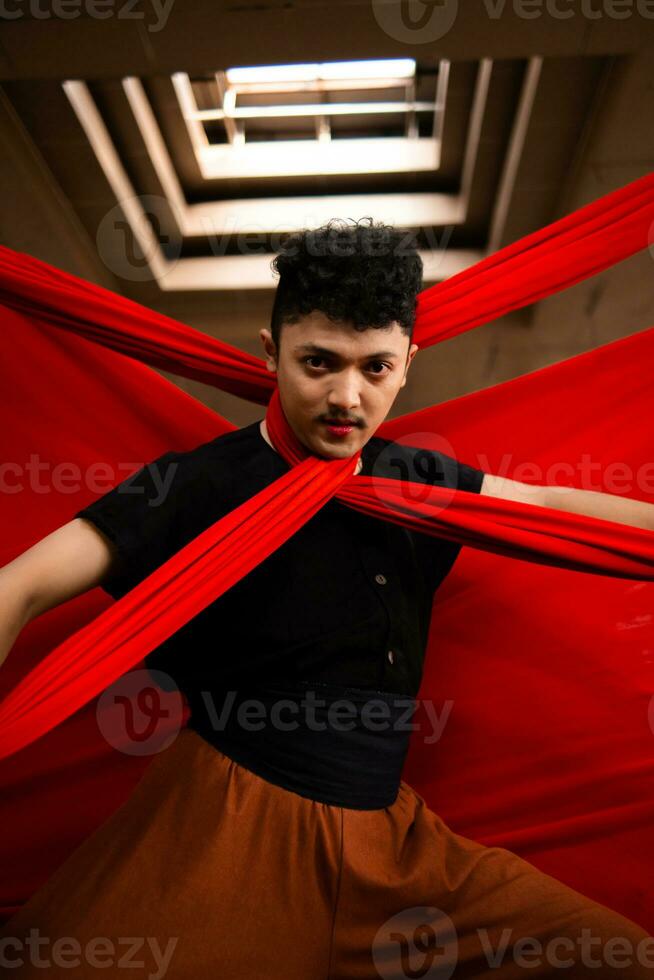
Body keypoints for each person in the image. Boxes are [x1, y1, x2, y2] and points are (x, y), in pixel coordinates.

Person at [0, 219, 652, 978]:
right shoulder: (197, 484)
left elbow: (546, 504)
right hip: (227, 835)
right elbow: (23, 584)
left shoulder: (421, 481)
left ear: (408, 364)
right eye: (319, 363)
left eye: (375, 368)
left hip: (395, 851)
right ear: (271, 352)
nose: (348, 397)